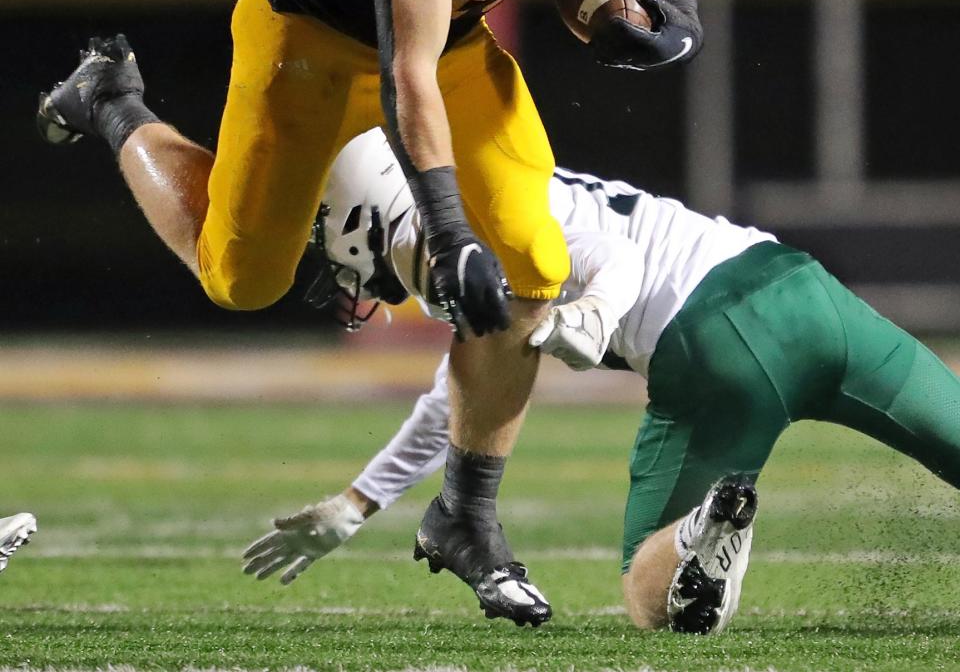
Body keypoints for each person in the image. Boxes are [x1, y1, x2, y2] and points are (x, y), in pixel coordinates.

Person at [37, 0, 700, 625]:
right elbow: (407, 75)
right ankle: (114, 102)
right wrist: (446, 230)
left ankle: (466, 512)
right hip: (317, 37)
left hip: (460, 34)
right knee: (239, 275)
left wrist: (678, 7)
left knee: (533, 263)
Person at [243, 129, 960, 634]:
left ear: (362, 215)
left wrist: (594, 312)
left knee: (650, 599)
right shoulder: (490, 194)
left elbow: (609, 256)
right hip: (798, 286)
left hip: (712, 347)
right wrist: (360, 500)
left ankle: (699, 537)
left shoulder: (450, 240)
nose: (331, 263)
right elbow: (465, 397)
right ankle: (701, 535)